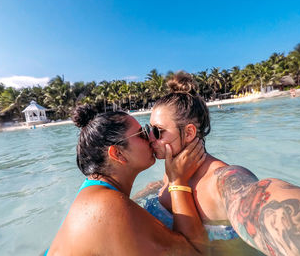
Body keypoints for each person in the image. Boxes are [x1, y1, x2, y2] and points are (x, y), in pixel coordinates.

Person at [135, 71, 300, 256]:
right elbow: (161, 185)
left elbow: (255, 199)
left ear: (189, 133)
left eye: (158, 131)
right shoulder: (172, 169)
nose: (150, 138)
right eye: (149, 129)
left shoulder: (222, 179)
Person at [46, 105, 210, 255]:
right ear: (117, 154)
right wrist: (177, 182)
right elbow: (198, 252)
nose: (151, 138)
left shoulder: (94, 191)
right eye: (142, 133)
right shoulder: (107, 206)